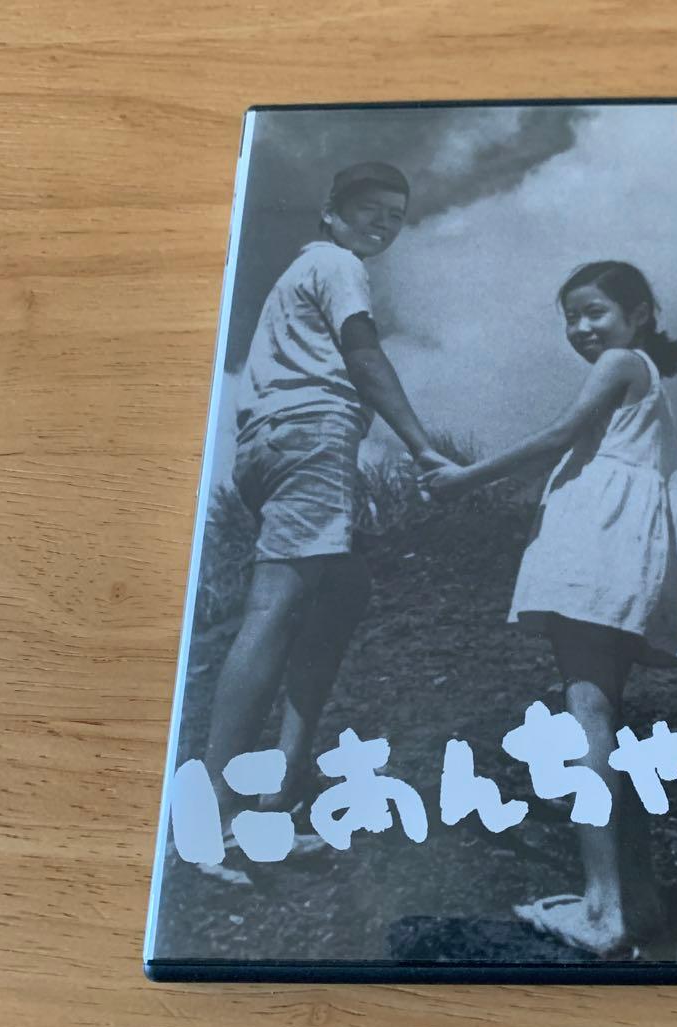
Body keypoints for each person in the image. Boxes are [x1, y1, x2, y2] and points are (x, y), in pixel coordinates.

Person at [424, 261, 677, 954]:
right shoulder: (644, 378)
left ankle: (602, 910)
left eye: (594, 311)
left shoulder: (620, 363)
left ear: (639, 314)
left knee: (586, 717)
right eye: (570, 317)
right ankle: (635, 899)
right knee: (601, 714)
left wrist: (464, 479)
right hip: (621, 546)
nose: (581, 328)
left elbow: (556, 435)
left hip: (597, 545)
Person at [201, 162, 450, 873]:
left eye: (395, 215)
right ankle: (217, 813)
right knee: (277, 604)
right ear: (331, 211)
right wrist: (422, 446)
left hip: (269, 445)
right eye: (370, 208)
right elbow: (363, 355)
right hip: (313, 433)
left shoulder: (298, 274)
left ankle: (281, 781)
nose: (383, 224)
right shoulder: (339, 266)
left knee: (345, 588)